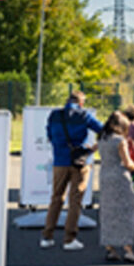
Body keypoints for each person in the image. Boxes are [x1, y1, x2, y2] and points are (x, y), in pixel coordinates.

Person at [40, 91, 103, 251]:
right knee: (75, 201)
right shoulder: (84, 115)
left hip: (59, 162)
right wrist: (92, 148)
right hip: (79, 162)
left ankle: (47, 236)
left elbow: (50, 135)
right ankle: (69, 239)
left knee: (56, 198)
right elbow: (103, 130)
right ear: (81, 103)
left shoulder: (54, 115)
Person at [98, 111, 134, 263]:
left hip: (105, 177)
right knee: (127, 211)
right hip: (120, 178)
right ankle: (128, 249)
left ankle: (110, 248)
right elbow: (128, 163)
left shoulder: (102, 139)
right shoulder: (120, 141)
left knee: (108, 212)